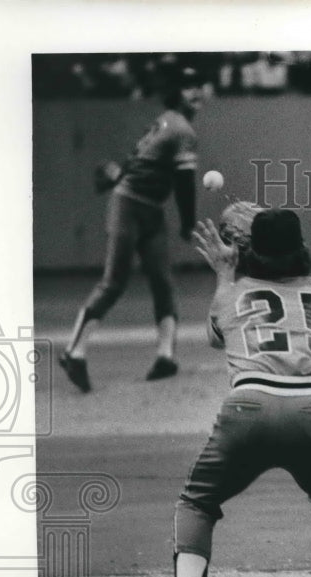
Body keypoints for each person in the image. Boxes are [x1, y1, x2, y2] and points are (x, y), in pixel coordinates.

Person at [150, 206, 311, 577]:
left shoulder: (233, 296)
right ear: (302, 249)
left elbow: (217, 335)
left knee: (197, 502)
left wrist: (227, 271)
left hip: (248, 410)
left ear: (251, 253)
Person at [59, 65, 203, 393]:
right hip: (130, 204)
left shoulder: (166, 121)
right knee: (114, 282)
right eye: (189, 87)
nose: (196, 93)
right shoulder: (182, 129)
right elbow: (184, 182)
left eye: (198, 86)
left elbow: (141, 157)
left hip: (147, 207)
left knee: (162, 283)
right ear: (176, 93)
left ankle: (166, 356)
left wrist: (119, 172)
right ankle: (73, 352)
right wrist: (188, 222)